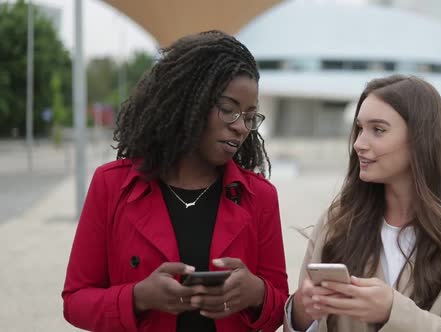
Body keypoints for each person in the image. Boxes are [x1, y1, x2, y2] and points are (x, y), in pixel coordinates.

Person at [62, 30, 289, 332]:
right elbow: (75, 301)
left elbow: (281, 310)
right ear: (189, 102)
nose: (241, 127)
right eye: (228, 110)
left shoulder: (260, 196)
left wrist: (257, 293)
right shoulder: (111, 185)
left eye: (250, 115)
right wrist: (137, 297)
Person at [285, 75, 441, 332]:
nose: (359, 144)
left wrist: (392, 311)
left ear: (420, 140)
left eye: (378, 130)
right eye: (359, 129)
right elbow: (301, 325)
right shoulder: (336, 221)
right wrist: (302, 311)